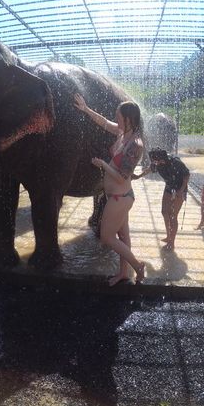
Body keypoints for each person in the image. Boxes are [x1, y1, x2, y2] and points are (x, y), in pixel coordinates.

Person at [74, 94, 145, 286]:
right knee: (122, 237)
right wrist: (85, 108)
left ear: (128, 119)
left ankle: (138, 266)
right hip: (117, 196)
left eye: (119, 116)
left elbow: (122, 176)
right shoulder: (122, 133)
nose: (116, 119)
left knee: (106, 237)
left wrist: (102, 165)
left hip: (120, 198)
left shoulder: (136, 145)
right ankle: (124, 273)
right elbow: (104, 122)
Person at [134, 148, 190, 251]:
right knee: (164, 212)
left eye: (153, 160)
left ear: (160, 159)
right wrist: (138, 176)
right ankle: (168, 236)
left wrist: (181, 190)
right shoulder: (156, 164)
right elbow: (149, 169)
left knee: (173, 216)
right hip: (169, 187)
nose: (152, 162)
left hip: (180, 189)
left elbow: (187, 175)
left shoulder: (175, 162)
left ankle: (172, 242)